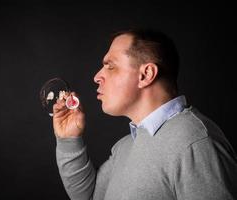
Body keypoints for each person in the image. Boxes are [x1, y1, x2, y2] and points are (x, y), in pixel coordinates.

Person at [52, 28, 237, 200]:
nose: (97, 77)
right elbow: (92, 196)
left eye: (110, 66)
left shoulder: (195, 143)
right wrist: (69, 140)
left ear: (146, 74)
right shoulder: (125, 146)